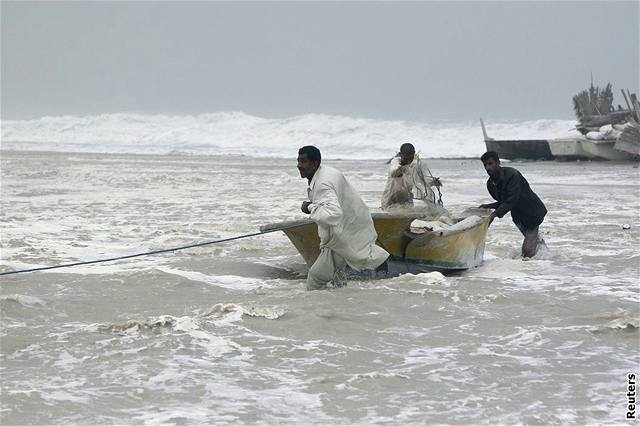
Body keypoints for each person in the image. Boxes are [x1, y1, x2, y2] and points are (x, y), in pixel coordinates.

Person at [297, 145, 389, 290]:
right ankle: (341, 303)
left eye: (303, 161)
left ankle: (314, 309)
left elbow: (333, 214)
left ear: (315, 164)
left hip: (341, 235)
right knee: (338, 274)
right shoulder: (327, 172)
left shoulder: (322, 184)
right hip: (351, 225)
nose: (299, 165)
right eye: (298, 161)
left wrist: (309, 207)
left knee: (315, 278)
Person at [478, 151, 547, 258]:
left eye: (490, 164)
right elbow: (504, 201)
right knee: (535, 243)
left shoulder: (512, 175)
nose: (487, 168)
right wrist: (489, 206)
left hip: (532, 213)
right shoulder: (490, 184)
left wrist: (494, 215)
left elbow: (512, 200)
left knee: (527, 251)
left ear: (498, 162)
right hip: (518, 217)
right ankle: (546, 256)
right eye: (485, 165)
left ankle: (533, 269)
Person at [381, 143, 442, 209]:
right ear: (401, 155)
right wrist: (401, 169)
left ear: (414, 154)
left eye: (411, 158)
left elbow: (422, 179)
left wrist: (433, 182)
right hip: (389, 201)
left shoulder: (415, 165)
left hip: (406, 202)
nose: (408, 161)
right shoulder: (395, 162)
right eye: (406, 159)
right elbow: (393, 172)